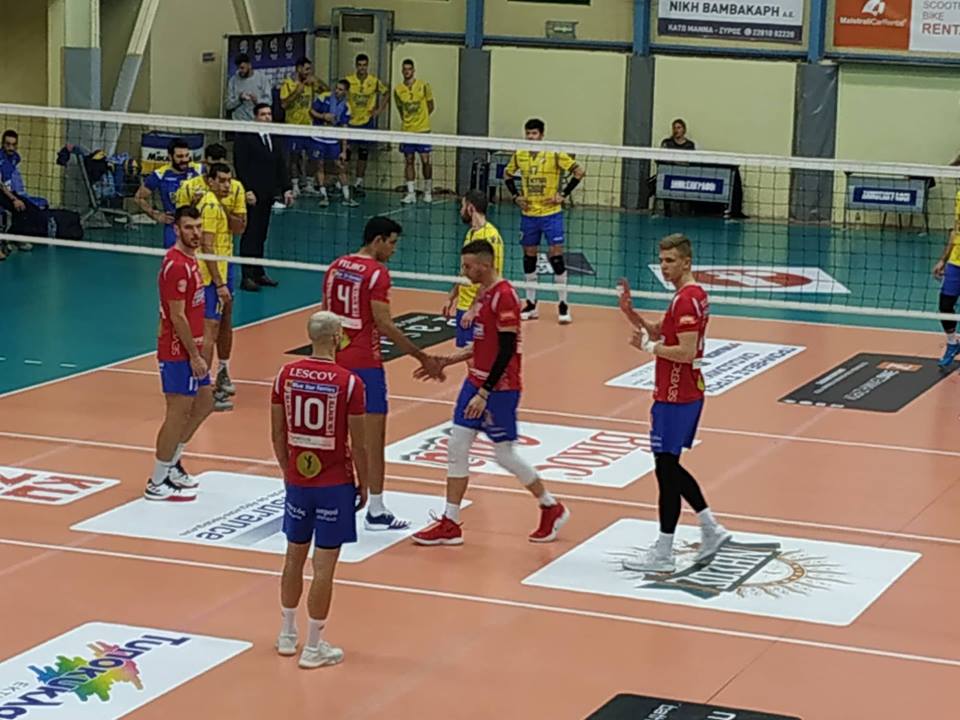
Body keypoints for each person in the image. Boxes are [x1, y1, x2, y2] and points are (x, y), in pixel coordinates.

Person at [412, 239, 570, 546]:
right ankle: (450, 522)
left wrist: (484, 393)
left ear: (485, 265)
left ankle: (551, 506)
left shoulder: (505, 296)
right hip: (475, 381)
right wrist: (447, 360)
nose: (464, 271)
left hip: (499, 389)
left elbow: (506, 350)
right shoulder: (483, 294)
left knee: (504, 455)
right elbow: (484, 344)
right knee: (457, 446)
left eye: (468, 266)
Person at [616, 234, 731, 573]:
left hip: (677, 395)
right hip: (676, 393)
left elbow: (685, 351)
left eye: (670, 261)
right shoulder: (688, 296)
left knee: (666, 471)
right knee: (668, 468)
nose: (664, 267)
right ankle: (710, 528)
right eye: (662, 261)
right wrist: (631, 314)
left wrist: (647, 349)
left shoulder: (687, 300)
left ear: (686, 262)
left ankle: (666, 552)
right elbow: (660, 331)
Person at [322, 216, 444, 530]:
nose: (393, 250)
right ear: (377, 240)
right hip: (366, 366)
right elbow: (384, 323)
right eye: (391, 243)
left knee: (336, 437)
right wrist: (422, 356)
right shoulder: (377, 273)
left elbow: (324, 317)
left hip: (335, 362)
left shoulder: (335, 267)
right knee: (372, 441)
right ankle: (375, 510)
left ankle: (333, 500)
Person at [272, 311, 369, 669]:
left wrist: (288, 471)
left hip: (298, 482)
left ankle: (287, 634)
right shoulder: (350, 383)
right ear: (336, 336)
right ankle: (314, 647)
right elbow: (359, 443)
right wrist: (364, 482)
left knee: (293, 557)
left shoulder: (285, 375)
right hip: (334, 485)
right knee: (324, 566)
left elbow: (277, 433)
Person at [147, 206, 215, 501]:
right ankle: (156, 481)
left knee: (205, 402)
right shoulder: (176, 265)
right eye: (189, 227)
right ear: (176, 229)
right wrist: (194, 355)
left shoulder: (191, 260)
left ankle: (172, 463)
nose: (196, 233)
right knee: (177, 413)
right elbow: (177, 316)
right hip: (177, 351)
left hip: (191, 347)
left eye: (198, 226)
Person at [177, 161, 246, 410]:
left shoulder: (216, 203)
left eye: (229, 180)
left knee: (215, 329)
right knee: (208, 333)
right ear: (211, 181)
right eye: (222, 181)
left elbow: (238, 228)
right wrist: (219, 283)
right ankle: (203, 392)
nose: (227, 185)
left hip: (218, 273)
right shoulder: (210, 206)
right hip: (208, 279)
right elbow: (206, 246)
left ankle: (208, 385)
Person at [504, 118, 585, 325]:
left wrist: (563, 194)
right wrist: (516, 196)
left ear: (541, 135)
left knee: (556, 258)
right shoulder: (520, 154)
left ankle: (563, 305)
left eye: (534, 133)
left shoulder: (553, 153)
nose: (530, 137)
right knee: (529, 257)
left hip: (551, 214)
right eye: (528, 133)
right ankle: (531, 305)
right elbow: (507, 174)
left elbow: (579, 171)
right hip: (529, 214)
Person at [234, 103, 294, 292]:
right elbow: (240, 165)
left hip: (268, 194)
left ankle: (259, 273)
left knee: (262, 234)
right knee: (250, 234)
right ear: (255, 117)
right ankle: (247, 276)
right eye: (263, 114)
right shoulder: (245, 137)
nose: (267, 117)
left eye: (269, 114)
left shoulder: (274, 137)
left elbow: (280, 165)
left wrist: (286, 189)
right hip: (252, 194)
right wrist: (247, 190)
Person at [442, 190, 505, 350]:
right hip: (464, 305)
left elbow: (490, 278)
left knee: (475, 356)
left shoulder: (489, 237)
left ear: (471, 208)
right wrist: (451, 296)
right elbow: (464, 271)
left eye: (462, 206)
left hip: (479, 308)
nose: (460, 210)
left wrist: (473, 309)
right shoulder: (471, 233)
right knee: (466, 355)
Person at [136, 138, 201, 249]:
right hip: (174, 226)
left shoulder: (198, 170)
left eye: (187, 155)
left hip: (197, 225)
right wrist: (155, 215)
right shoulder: (160, 174)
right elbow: (138, 198)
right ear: (170, 157)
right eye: (180, 156)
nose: (185, 159)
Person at [280, 56, 327, 196]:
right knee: (294, 156)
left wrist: (318, 81)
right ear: (298, 69)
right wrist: (297, 91)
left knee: (313, 156)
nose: (308, 72)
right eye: (306, 69)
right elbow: (284, 104)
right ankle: (295, 185)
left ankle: (309, 184)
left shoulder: (310, 84)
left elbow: (327, 91)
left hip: (309, 126)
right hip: (293, 126)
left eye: (310, 69)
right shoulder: (288, 84)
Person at [309, 79, 358, 208]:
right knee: (319, 165)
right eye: (336, 88)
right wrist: (323, 116)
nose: (337, 91)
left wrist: (343, 150)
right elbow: (312, 111)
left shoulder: (346, 107)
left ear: (346, 92)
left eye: (340, 89)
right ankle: (323, 196)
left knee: (340, 166)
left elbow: (344, 129)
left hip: (333, 140)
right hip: (318, 138)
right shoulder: (323, 97)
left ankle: (347, 196)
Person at [345, 53, 389, 196]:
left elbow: (387, 93)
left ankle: (358, 183)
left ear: (368, 66)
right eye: (360, 65)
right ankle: (343, 183)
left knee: (363, 154)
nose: (362, 68)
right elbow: (339, 93)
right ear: (356, 66)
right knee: (346, 153)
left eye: (364, 65)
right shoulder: (349, 80)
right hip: (351, 122)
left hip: (366, 122)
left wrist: (379, 110)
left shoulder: (374, 81)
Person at [393, 59, 434, 204]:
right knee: (409, 160)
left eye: (409, 69)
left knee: (426, 161)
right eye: (404, 69)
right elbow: (400, 109)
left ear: (413, 70)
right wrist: (408, 123)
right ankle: (411, 193)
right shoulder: (398, 90)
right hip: (407, 131)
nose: (407, 71)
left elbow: (431, 106)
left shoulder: (423, 86)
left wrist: (422, 120)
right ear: (402, 71)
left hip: (423, 130)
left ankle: (427, 191)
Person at [0, 128, 45, 251]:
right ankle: (8, 239)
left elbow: (14, 178)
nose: (11, 147)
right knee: (19, 207)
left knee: (33, 210)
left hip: (10, 192)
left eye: (13, 145)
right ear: (2, 144)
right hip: (1, 192)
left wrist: (20, 195)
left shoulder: (15, 158)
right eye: (8, 144)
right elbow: (1, 185)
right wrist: (14, 199)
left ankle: (14, 237)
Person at [932, 229, 960, 366]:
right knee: (945, 305)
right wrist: (943, 260)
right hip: (955, 265)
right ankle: (952, 343)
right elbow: (955, 232)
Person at [225, 53, 273, 122]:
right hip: (239, 121)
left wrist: (257, 101)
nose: (240, 71)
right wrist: (239, 99)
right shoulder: (233, 81)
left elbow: (269, 101)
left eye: (242, 68)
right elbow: (228, 105)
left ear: (249, 65)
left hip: (257, 121)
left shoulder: (262, 78)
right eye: (238, 68)